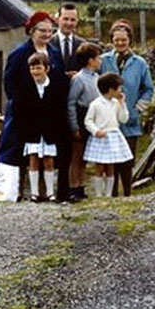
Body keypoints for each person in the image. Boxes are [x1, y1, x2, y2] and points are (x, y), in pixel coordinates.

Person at [0, 11, 66, 199]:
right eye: (42, 30)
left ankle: (44, 192)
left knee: (47, 152)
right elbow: (9, 82)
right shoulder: (19, 54)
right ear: (32, 31)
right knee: (18, 148)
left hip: (48, 111)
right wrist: (19, 103)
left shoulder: (54, 54)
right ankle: (14, 190)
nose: (46, 34)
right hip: (23, 110)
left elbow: (59, 81)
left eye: (50, 31)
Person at [99, 19, 154, 196]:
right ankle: (112, 195)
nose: (120, 43)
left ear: (130, 40)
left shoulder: (140, 63)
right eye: (117, 40)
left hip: (130, 121)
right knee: (111, 160)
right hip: (108, 121)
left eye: (124, 40)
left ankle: (128, 194)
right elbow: (96, 85)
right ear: (111, 41)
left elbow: (148, 89)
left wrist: (137, 110)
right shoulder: (104, 60)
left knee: (127, 159)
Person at [16, 52, 66, 202]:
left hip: (50, 130)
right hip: (32, 130)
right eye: (32, 69)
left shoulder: (55, 87)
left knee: (49, 160)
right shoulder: (26, 88)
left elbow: (60, 111)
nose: (35, 72)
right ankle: (34, 192)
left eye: (38, 68)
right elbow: (20, 110)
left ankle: (50, 192)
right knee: (33, 160)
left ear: (47, 69)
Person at [48, 3, 85, 202]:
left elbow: (92, 73)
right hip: (53, 104)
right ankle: (45, 191)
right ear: (58, 19)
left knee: (73, 150)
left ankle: (69, 190)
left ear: (77, 22)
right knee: (49, 149)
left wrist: (78, 75)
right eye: (65, 19)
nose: (69, 23)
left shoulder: (82, 44)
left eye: (73, 20)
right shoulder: (49, 42)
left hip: (75, 106)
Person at [83, 72, 133, 197]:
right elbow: (88, 121)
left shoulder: (116, 103)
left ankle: (109, 193)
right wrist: (96, 131)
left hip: (114, 136)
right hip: (101, 137)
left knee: (111, 166)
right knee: (100, 166)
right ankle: (99, 194)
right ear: (111, 89)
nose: (121, 91)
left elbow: (123, 119)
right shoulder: (95, 104)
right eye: (119, 88)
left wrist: (122, 104)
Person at [66, 42, 103, 202]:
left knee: (84, 157)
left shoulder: (96, 78)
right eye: (97, 58)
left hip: (92, 118)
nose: (100, 60)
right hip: (81, 117)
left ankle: (81, 186)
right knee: (77, 156)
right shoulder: (79, 79)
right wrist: (74, 126)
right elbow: (71, 103)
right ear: (90, 60)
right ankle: (74, 187)